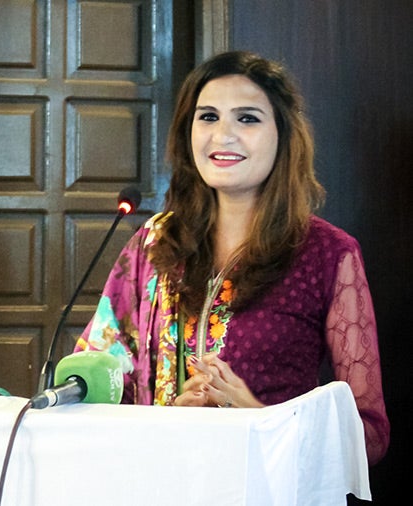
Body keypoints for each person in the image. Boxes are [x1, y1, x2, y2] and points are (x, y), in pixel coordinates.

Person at [74, 51, 389, 465]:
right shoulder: (154, 244)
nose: (222, 135)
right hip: (160, 480)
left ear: (284, 134)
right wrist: (166, 418)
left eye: (247, 118)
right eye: (207, 117)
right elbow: (95, 384)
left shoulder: (327, 254)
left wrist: (258, 417)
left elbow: (368, 436)